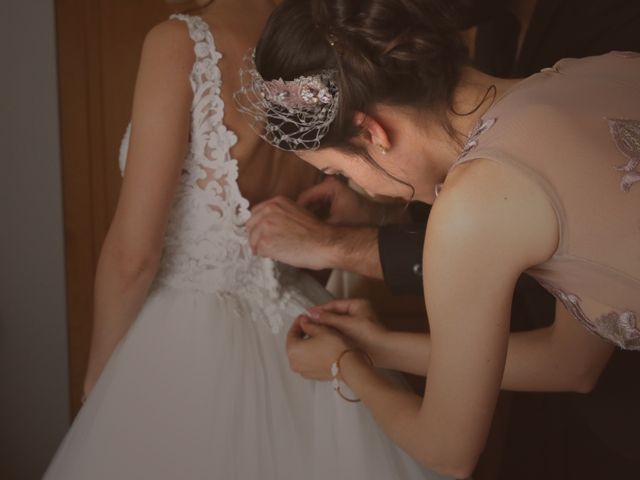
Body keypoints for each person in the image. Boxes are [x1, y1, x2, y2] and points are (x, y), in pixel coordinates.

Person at [42, 1, 448, 479]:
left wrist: (99, 383)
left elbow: (134, 255)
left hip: (182, 339)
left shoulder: (180, 44)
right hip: (298, 323)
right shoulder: (312, 37)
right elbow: (308, 239)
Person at [237, 0, 640, 476]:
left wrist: (345, 364)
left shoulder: (475, 204)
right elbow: (570, 364)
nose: (360, 188)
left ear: (371, 132)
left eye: (337, 170)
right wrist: (380, 345)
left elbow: (448, 451)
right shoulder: (596, 72)